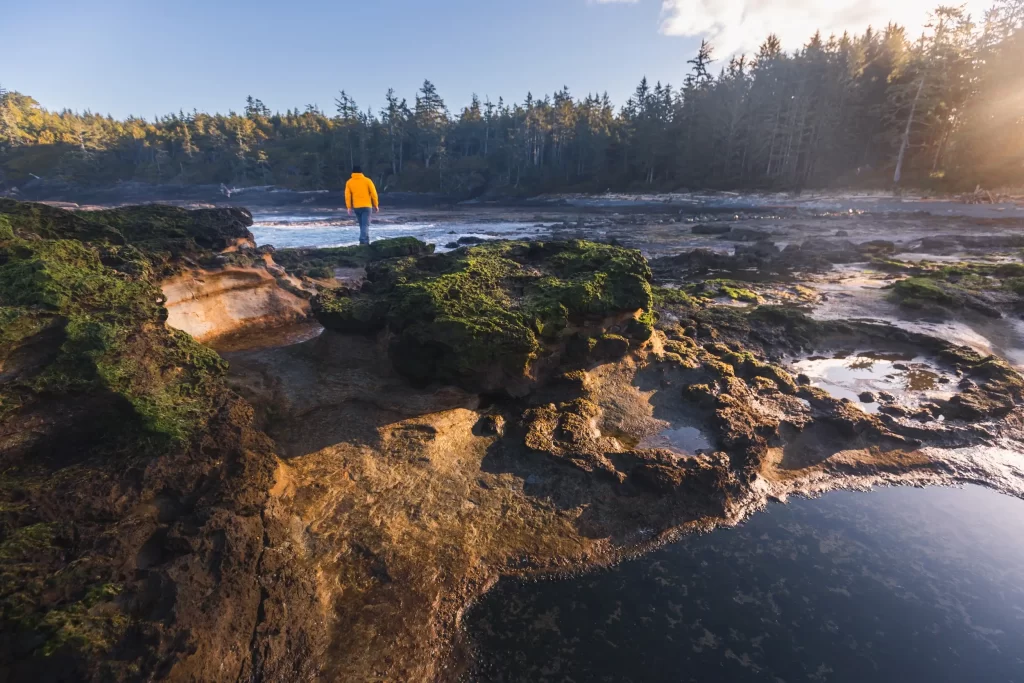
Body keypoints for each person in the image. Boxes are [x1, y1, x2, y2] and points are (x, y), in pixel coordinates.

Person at [345, 166, 380, 245]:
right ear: (361, 172)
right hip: (367, 206)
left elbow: (347, 196)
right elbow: (374, 193)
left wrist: (349, 207)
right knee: (365, 225)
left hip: (356, 207)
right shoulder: (367, 180)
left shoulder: (349, 182)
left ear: (352, 173)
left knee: (362, 225)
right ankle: (362, 240)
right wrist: (376, 205)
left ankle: (366, 243)